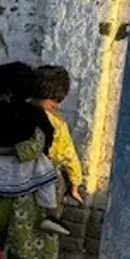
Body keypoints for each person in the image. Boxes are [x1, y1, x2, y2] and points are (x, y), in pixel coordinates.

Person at [0, 62, 68, 236]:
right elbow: (46, 135)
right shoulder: (34, 113)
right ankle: (51, 215)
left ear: (7, 93)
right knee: (46, 176)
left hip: (0, 172)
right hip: (27, 172)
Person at [33, 65, 85, 206]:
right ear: (56, 98)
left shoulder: (15, 111)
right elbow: (69, 155)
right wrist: (75, 184)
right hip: (46, 179)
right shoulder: (57, 124)